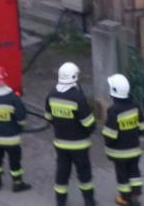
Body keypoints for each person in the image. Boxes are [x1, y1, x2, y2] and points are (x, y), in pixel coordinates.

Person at [44, 62, 96, 206]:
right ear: (74, 77)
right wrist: (91, 128)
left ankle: (60, 201)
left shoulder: (51, 94)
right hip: (80, 144)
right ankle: (89, 201)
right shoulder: (78, 97)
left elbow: (48, 117)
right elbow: (88, 123)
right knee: (84, 173)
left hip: (60, 143)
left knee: (62, 172)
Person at [0, 64, 32, 193]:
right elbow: (21, 118)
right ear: (5, 78)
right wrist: (20, 126)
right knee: (15, 163)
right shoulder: (13, 98)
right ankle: (17, 184)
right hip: (12, 138)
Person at [102, 74, 144, 206]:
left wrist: (107, 145)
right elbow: (142, 127)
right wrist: (133, 136)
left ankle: (125, 199)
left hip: (119, 153)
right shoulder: (135, 106)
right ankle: (136, 194)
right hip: (134, 149)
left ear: (113, 92)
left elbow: (110, 135)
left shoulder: (113, 111)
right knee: (134, 171)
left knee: (122, 176)